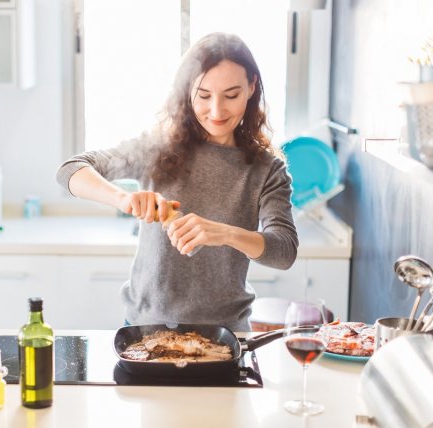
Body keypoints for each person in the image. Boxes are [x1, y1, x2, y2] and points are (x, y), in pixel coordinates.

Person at [56, 32, 298, 331]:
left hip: (226, 334)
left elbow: (284, 251)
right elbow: (70, 170)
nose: (217, 111)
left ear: (251, 87)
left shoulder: (266, 169)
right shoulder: (158, 148)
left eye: (231, 95)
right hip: (146, 328)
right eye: (204, 95)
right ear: (187, 91)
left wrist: (224, 233)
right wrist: (125, 199)